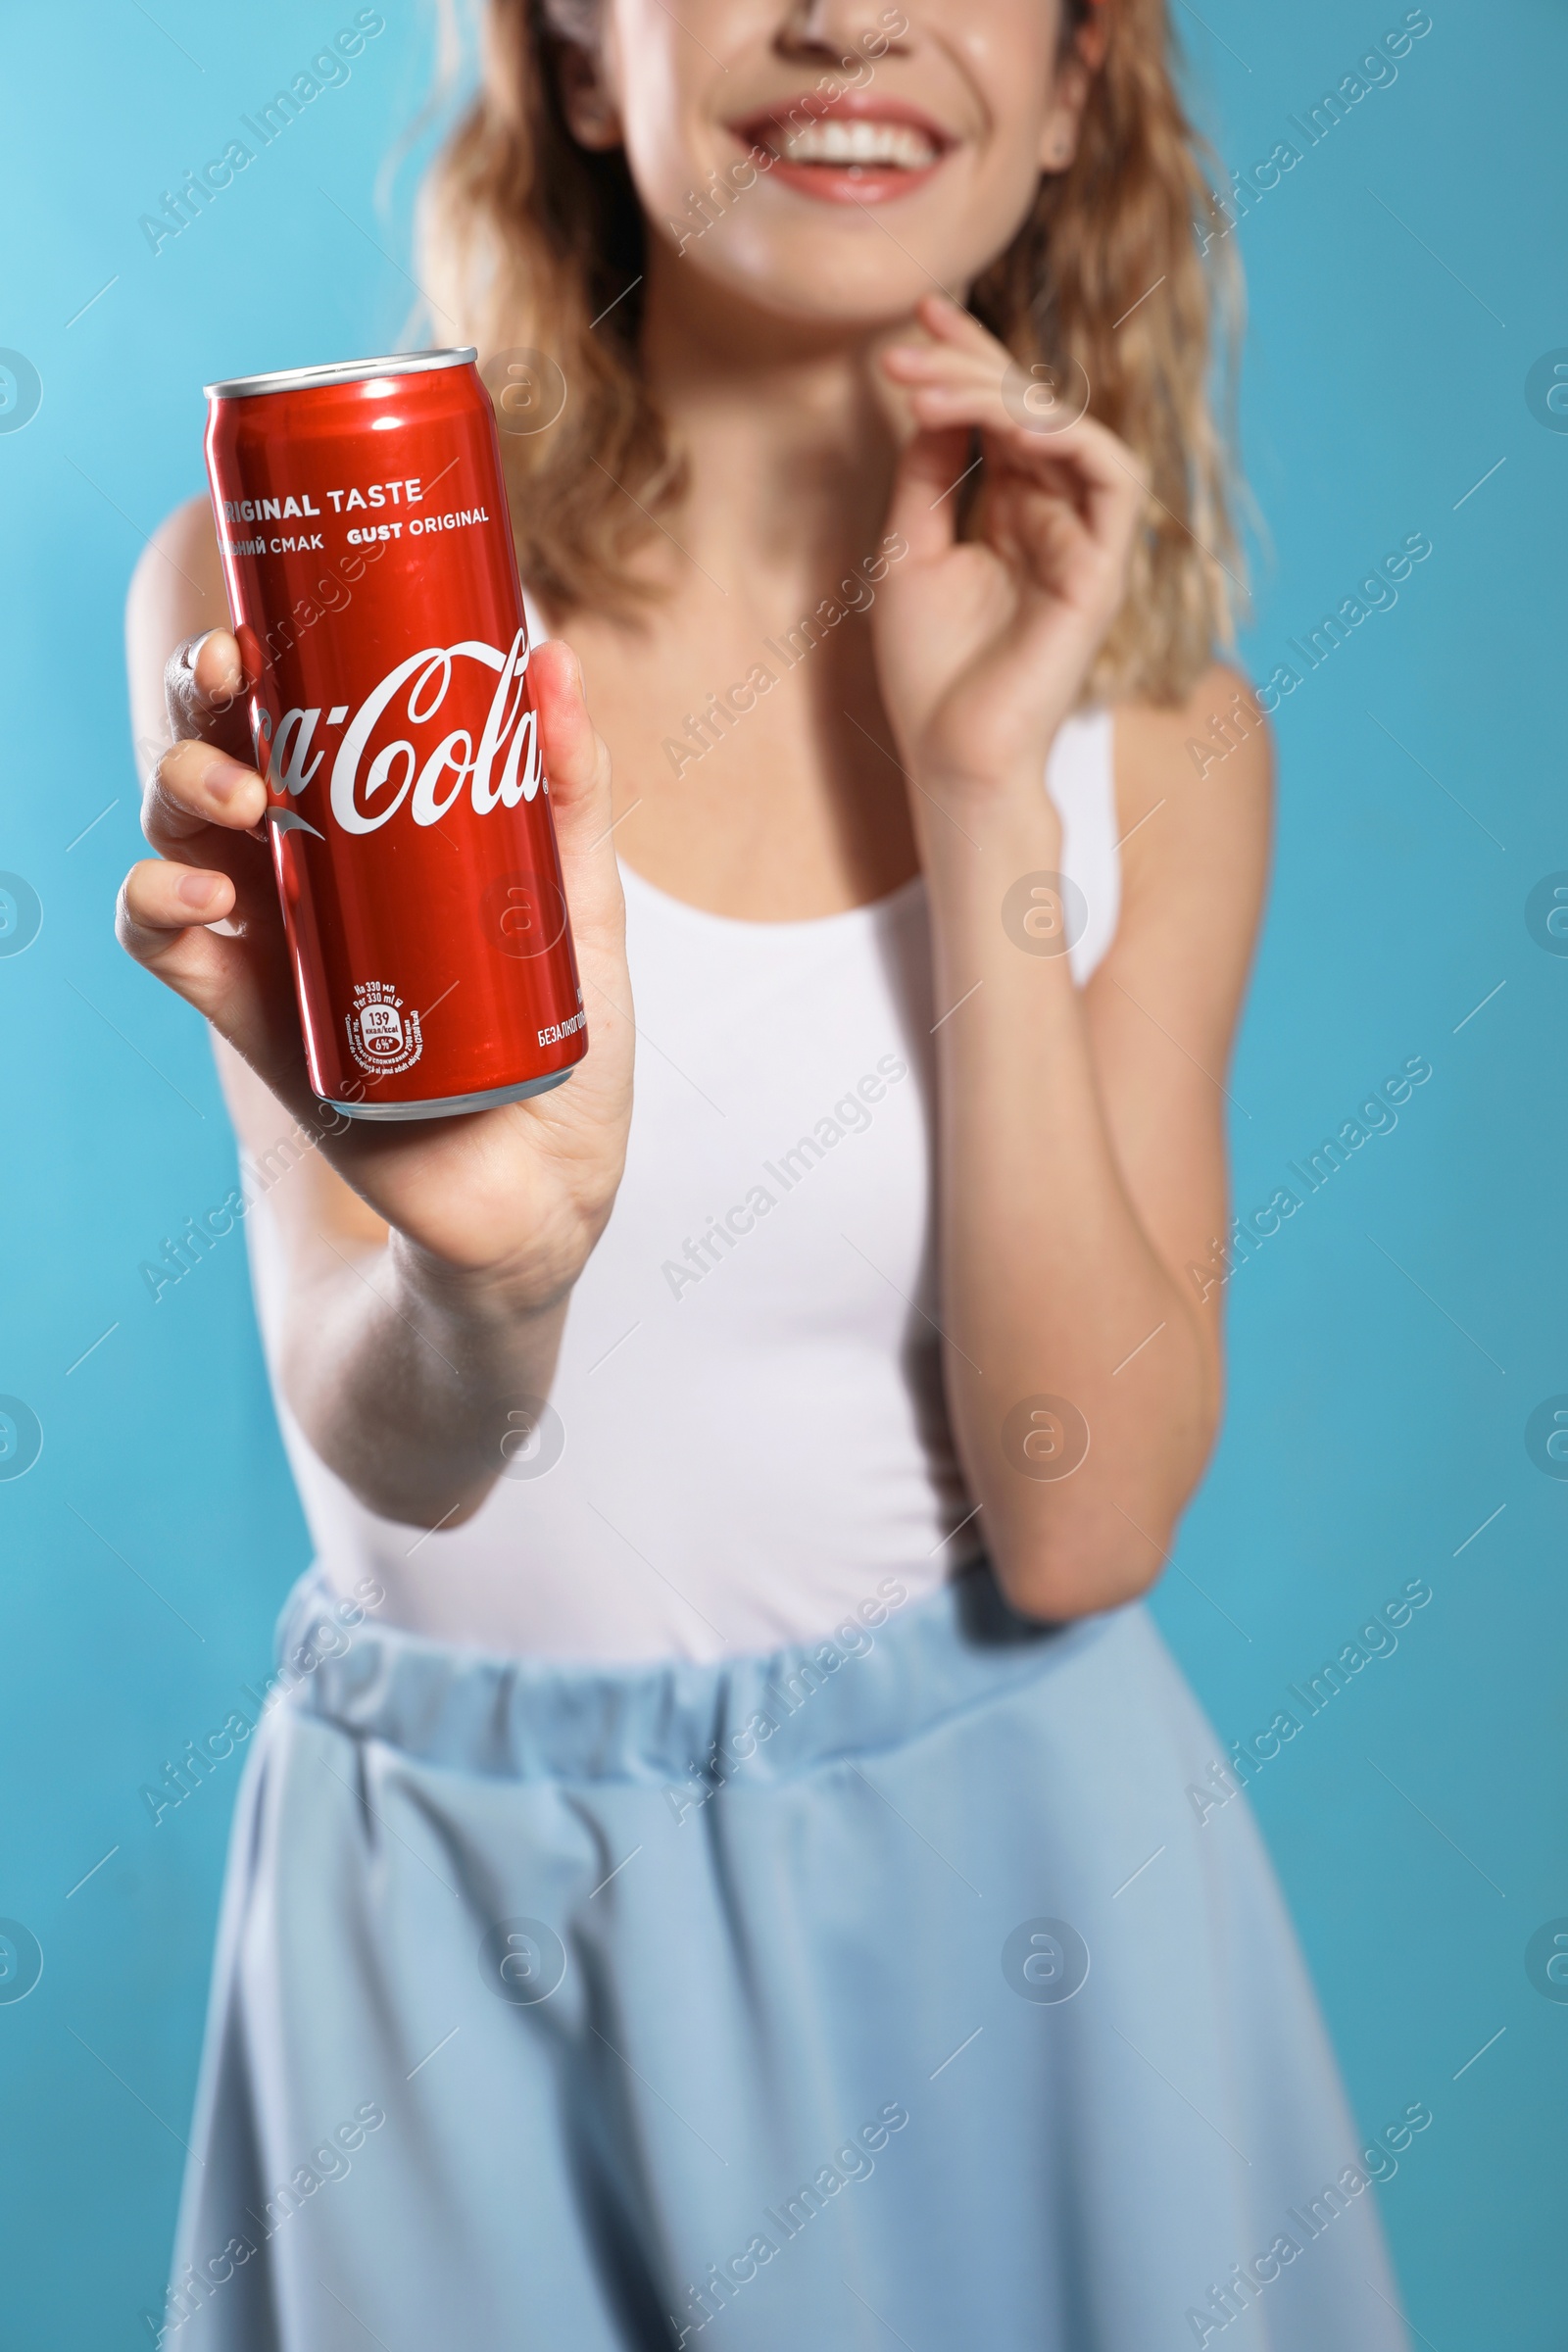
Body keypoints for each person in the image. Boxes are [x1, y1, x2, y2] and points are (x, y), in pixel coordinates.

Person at [120, 0, 1408, 2342]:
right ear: (575, 60)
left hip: (1012, 1913)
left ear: (1079, 75)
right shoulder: (316, 592)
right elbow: (381, 1430)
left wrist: (980, 780)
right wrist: (495, 1285)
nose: (842, 13)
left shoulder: (1162, 743)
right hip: (441, 1947)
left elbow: (1088, 1520)